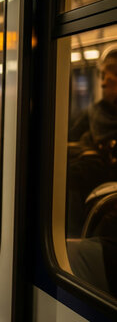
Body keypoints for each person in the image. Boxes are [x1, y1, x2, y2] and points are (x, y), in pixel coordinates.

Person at [67, 47, 117, 237]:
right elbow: (67, 139)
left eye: (109, 79)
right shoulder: (94, 113)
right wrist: (86, 149)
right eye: (102, 77)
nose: (102, 84)